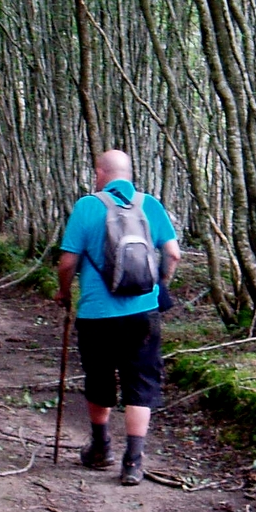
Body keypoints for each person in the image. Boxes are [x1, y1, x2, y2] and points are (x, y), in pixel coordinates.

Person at [55, 149, 181, 486]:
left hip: (96, 312)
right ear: (129, 172)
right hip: (143, 312)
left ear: (100, 172)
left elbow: (67, 263)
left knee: (100, 378)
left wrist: (64, 293)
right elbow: (173, 254)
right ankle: (133, 462)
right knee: (140, 383)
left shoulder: (87, 206)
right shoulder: (149, 204)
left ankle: (101, 448)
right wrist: (158, 285)